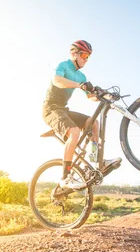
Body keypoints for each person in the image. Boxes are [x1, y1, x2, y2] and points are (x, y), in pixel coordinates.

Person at [42, 40, 121, 190]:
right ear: (74, 54)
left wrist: (102, 94)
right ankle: (65, 178)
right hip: (50, 109)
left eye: (88, 57)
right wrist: (78, 85)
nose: (86, 59)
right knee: (75, 132)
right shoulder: (63, 66)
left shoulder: (81, 76)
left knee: (93, 123)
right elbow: (57, 81)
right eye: (84, 55)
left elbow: (90, 97)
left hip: (63, 110)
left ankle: (95, 161)